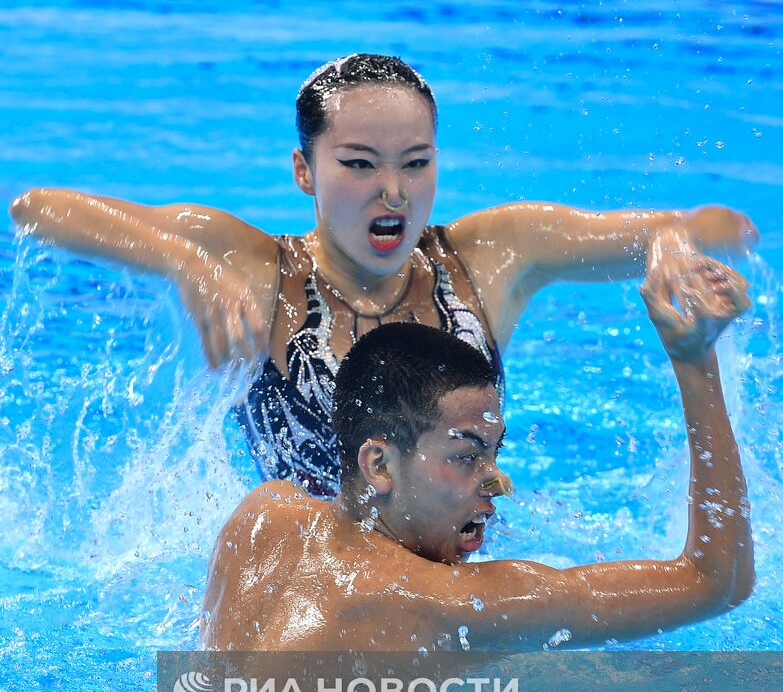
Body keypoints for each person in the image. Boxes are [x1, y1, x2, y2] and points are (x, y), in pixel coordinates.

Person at [10, 54, 758, 497]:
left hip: (460, 576)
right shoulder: (258, 268)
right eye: (360, 164)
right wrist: (185, 263)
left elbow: (723, 227)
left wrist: (670, 244)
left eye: (416, 163)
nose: (393, 192)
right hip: (319, 588)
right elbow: (37, 209)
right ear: (305, 171)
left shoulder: (488, 257)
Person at [200, 258, 754, 652]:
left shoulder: (263, 515)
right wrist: (696, 363)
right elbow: (715, 583)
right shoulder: (441, 604)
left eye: (495, 452)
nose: (497, 482)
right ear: (379, 466)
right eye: (467, 457)